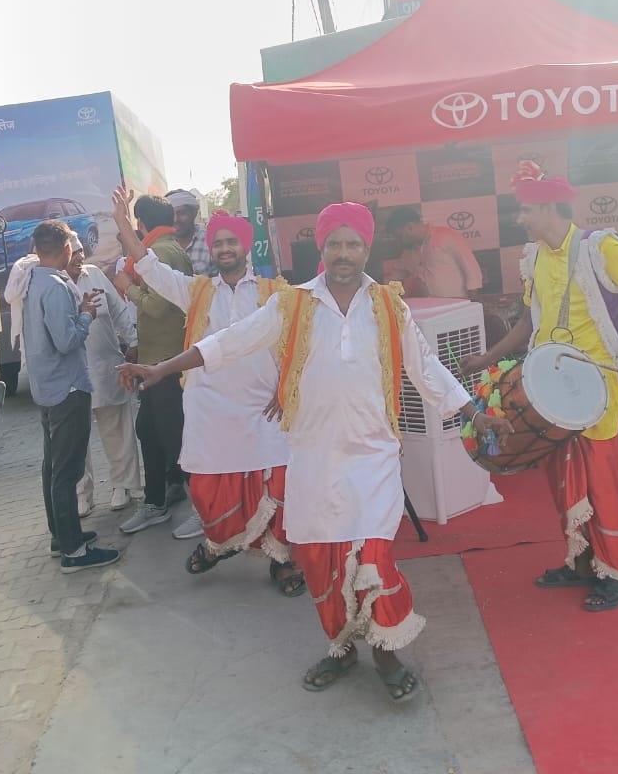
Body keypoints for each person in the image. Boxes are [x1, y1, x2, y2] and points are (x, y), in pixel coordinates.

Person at [119, 202, 511, 702]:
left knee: (373, 556)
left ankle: (385, 652)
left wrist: (474, 412)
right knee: (322, 561)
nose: (344, 253)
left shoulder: (389, 306)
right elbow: (228, 342)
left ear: (367, 249)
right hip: (310, 458)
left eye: (353, 244)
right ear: (322, 249)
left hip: (372, 458)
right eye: (335, 244)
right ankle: (341, 647)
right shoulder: (292, 304)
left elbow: (426, 367)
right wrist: (162, 368)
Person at [464, 161, 618, 613]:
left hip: (596, 393)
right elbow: (530, 319)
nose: (519, 218)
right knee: (564, 482)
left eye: (525, 210)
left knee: (601, 486)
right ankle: (584, 562)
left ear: (550, 207)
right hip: (548, 392)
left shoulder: (601, 247)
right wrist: (489, 357)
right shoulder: (534, 256)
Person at [112, 188, 303, 591]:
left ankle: (281, 559)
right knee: (206, 490)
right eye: (218, 243)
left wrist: (286, 389)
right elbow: (150, 268)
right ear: (211, 250)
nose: (225, 248)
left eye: (232, 241)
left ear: (245, 247)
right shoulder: (197, 291)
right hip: (210, 409)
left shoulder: (275, 294)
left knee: (277, 486)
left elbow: (297, 347)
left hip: (263, 408)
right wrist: (124, 226)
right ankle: (218, 544)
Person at [21, 220, 121, 573]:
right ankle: (73, 551)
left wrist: (78, 312)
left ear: (37, 249)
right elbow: (66, 341)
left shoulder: (33, 281)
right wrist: (86, 316)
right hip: (68, 388)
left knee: (53, 467)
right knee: (66, 471)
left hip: (48, 387)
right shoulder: (55, 287)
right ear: (66, 248)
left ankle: (62, 536)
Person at [116, 194, 194, 535]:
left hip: (166, 362)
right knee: (150, 430)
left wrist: (127, 288)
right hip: (158, 359)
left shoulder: (158, 253)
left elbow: (157, 308)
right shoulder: (170, 248)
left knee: (173, 437)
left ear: (141, 224)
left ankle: (203, 509)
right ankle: (159, 499)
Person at [66, 234, 143, 515]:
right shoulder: (54, 284)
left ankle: (123, 486)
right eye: (73, 251)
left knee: (117, 430)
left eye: (80, 250)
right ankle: (81, 494)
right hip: (71, 375)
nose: (79, 256)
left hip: (106, 367)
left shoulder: (95, 275)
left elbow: (119, 311)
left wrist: (133, 341)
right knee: (75, 439)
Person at [382, 207, 483, 299]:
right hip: (428, 309)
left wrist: (474, 305)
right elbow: (394, 279)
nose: (398, 241)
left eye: (399, 236)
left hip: (456, 306)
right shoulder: (408, 253)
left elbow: (471, 270)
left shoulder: (446, 236)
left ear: (410, 227)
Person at [165, 188, 217, 278]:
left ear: (194, 213)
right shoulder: (163, 243)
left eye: (182, 213)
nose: (175, 219)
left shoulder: (211, 241)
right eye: (171, 214)